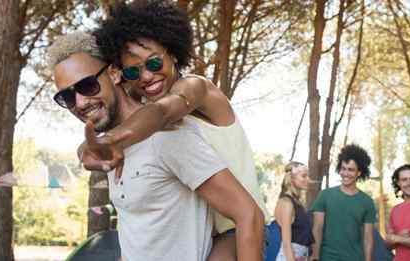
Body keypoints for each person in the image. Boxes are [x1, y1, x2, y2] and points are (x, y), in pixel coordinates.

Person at [46, 32, 264, 261]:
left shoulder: (171, 130)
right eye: (67, 98)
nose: (79, 102)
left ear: (113, 73)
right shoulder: (111, 149)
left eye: (87, 85)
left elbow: (162, 112)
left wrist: (111, 138)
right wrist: (87, 148)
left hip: (240, 235)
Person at [310, 144, 377, 261]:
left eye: (350, 170)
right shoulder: (325, 195)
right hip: (327, 258)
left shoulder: (367, 202)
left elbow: (368, 238)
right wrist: (315, 256)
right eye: (343, 168)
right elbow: (317, 229)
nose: (345, 173)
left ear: (359, 172)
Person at [274, 162, 314, 261]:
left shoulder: (297, 203)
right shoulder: (287, 203)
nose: (308, 180)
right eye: (304, 176)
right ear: (291, 178)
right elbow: (286, 243)